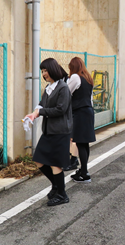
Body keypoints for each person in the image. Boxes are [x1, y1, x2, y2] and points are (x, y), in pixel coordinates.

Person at [24, 58, 72, 206]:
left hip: (60, 131)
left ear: (52, 70)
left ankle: (62, 195)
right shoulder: (49, 87)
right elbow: (41, 104)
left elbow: (60, 109)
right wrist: (33, 114)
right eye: (42, 71)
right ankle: (56, 185)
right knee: (39, 159)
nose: (44, 74)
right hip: (49, 131)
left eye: (45, 70)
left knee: (54, 163)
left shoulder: (63, 87)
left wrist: (40, 113)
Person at [67, 57, 96, 183]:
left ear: (73, 67)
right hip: (88, 111)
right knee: (84, 143)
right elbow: (90, 99)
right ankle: (83, 171)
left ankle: (84, 173)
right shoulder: (88, 78)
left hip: (80, 112)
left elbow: (66, 92)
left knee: (80, 142)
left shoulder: (75, 77)